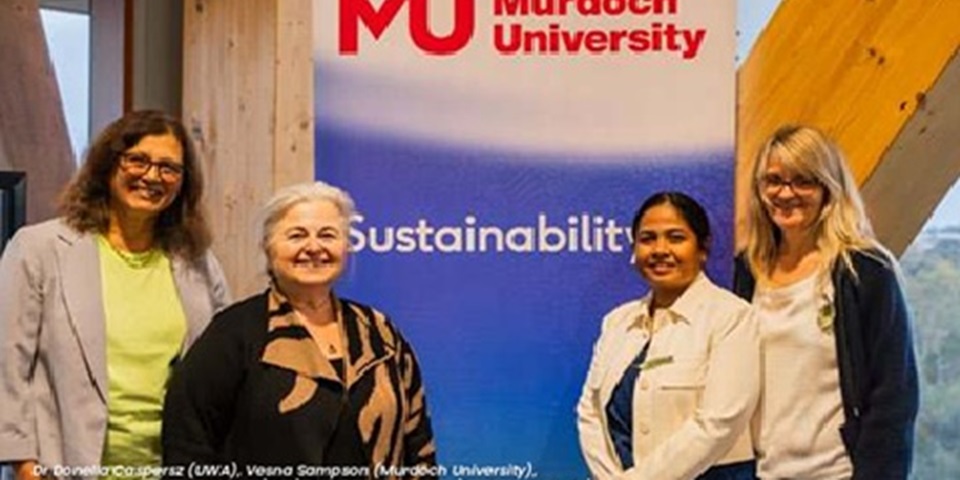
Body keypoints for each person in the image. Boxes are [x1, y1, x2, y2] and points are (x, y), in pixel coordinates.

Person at [0, 110, 230, 479]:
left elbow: (221, 372)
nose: (152, 176)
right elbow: (8, 366)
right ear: (107, 164)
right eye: (137, 159)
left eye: (169, 168)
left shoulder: (198, 263)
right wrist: (23, 464)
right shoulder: (39, 249)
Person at [161, 181, 437, 478]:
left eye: (328, 235)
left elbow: (418, 446)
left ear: (346, 247)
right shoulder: (233, 333)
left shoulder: (381, 334)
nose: (314, 247)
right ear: (269, 248)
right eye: (297, 235)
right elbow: (187, 444)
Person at [734, 125, 918, 479]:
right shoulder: (745, 271)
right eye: (774, 181)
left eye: (802, 180)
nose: (785, 193)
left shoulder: (864, 270)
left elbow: (893, 395)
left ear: (827, 188)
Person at [578, 191, 759, 480]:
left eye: (676, 237)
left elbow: (719, 422)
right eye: (648, 238)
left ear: (703, 248)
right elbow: (590, 412)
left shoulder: (732, 317)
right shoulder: (617, 322)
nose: (660, 249)